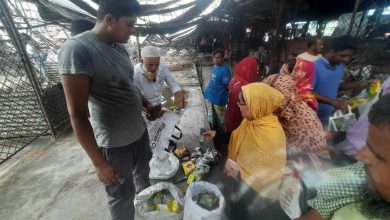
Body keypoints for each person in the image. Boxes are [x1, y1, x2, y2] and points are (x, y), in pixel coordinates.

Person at [58, 1, 157, 219]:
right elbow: (78, 115)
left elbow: (128, 85)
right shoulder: (77, 49)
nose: (132, 30)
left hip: (138, 133)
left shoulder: (119, 48)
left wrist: (147, 104)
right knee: (121, 195)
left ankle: (149, 212)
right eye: (129, 24)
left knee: (143, 176)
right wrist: (100, 163)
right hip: (115, 144)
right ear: (109, 19)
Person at [298, 94, 390, 220]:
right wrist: (331, 131)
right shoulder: (378, 90)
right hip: (349, 145)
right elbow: (353, 111)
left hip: (353, 152)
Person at [204, 83, 288, 219]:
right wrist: (216, 134)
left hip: (256, 194)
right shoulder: (252, 120)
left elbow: (263, 177)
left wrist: (238, 174)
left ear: (256, 105)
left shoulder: (271, 135)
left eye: (241, 103)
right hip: (240, 181)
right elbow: (237, 136)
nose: (238, 105)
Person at [263, 72, 329, 167]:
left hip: (309, 165)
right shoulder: (277, 111)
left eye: (275, 96)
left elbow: (295, 151)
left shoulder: (302, 117)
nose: (270, 100)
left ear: (287, 94)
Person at [312, 36, 375, 125]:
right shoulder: (314, 67)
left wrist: (359, 84)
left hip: (327, 115)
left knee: (328, 135)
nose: (346, 59)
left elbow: (337, 86)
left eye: (349, 56)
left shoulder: (340, 66)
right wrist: (333, 102)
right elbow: (307, 93)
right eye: (343, 55)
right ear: (331, 52)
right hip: (311, 116)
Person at [133, 46, 184, 110]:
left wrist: (179, 94)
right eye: (150, 65)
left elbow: (173, 84)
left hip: (159, 103)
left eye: (157, 64)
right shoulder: (135, 73)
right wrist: (146, 109)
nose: (154, 68)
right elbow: (134, 97)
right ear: (141, 61)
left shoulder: (163, 67)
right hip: (144, 106)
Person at [225, 57, 258, 132]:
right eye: (256, 70)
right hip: (237, 123)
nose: (257, 73)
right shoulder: (245, 89)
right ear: (250, 71)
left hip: (229, 117)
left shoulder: (234, 80)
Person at [290, 38, 323, 111]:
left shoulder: (321, 58)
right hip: (303, 92)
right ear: (313, 45)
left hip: (317, 91)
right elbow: (294, 76)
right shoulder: (301, 57)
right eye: (320, 44)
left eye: (322, 44)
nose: (322, 47)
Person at [204, 48, 232, 130]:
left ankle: (221, 134)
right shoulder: (214, 67)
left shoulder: (225, 71)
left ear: (223, 58)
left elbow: (227, 86)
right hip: (210, 96)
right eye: (214, 57)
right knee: (211, 115)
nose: (215, 59)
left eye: (218, 57)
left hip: (219, 99)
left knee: (221, 118)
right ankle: (213, 129)